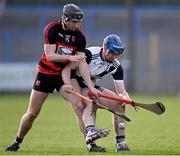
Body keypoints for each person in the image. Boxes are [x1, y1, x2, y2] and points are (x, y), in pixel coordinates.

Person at [5, 3, 108, 152]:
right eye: (74, 21)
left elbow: (82, 63)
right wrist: (70, 58)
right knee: (33, 113)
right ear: (65, 18)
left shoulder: (79, 36)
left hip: (65, 76)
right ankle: (17, 141)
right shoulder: (52, 29)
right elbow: (50, 56)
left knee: (79, 106)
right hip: (46, 74)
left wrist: (90, 86)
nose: (76, 25)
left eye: (79, 22)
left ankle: (91, 144)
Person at [62, 34, 132, 152]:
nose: (113, 56)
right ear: (104, 47)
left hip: (91, 86)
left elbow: (121, 91)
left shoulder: (115, 66)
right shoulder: (89, 54)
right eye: (111, 52)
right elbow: (67, 67)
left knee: (119, 104)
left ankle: (121, 143)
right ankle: (91, 135)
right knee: (89, 103)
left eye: (117, 54)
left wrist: (126, 98)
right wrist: (67, 83)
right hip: (75, 82)